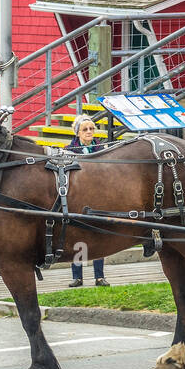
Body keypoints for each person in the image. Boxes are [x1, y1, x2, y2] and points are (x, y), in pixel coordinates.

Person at [67, 114, 109, 287]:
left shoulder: (101, 149)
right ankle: (78, 277)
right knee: (79, 238)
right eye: (85, 129)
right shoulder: (69, 151)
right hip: (78, 197)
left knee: (98, 236)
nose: (90, 132)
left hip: (98, 195)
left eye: (92, 128)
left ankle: (99, 276)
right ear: (78, 133)